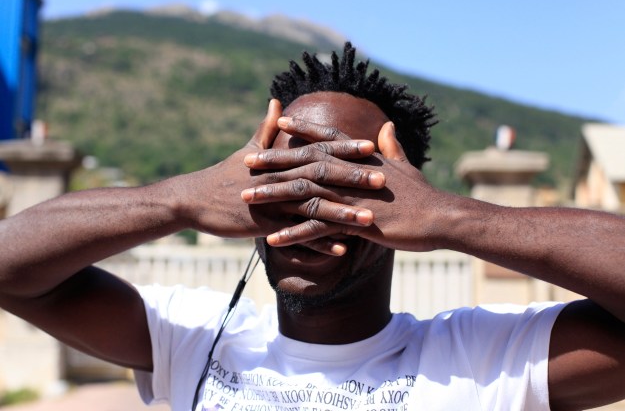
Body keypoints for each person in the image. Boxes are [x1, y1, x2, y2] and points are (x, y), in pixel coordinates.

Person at [1, 43, 625, 411]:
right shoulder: (192, 336)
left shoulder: (480, 362)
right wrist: (181, 199)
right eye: (284, 175)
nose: (307, 204)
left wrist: (452, 218)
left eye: (346, 179)